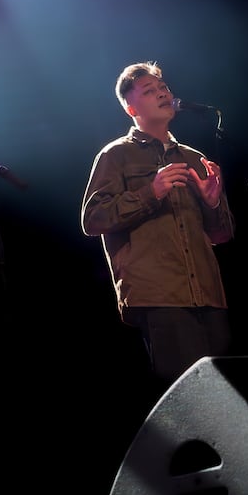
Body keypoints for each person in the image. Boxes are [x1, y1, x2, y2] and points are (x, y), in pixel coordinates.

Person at [80, 61, 236, 391]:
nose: (163, 93)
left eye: (163, 88)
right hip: (160, 295)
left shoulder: (193, 157)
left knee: (226, 397)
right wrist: (151, 191)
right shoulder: (115, 155)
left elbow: (222, 234)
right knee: (188, 400)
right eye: (150, 91)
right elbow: (93, 219)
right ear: (131, 107)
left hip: (209, 294)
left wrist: (212, 204)